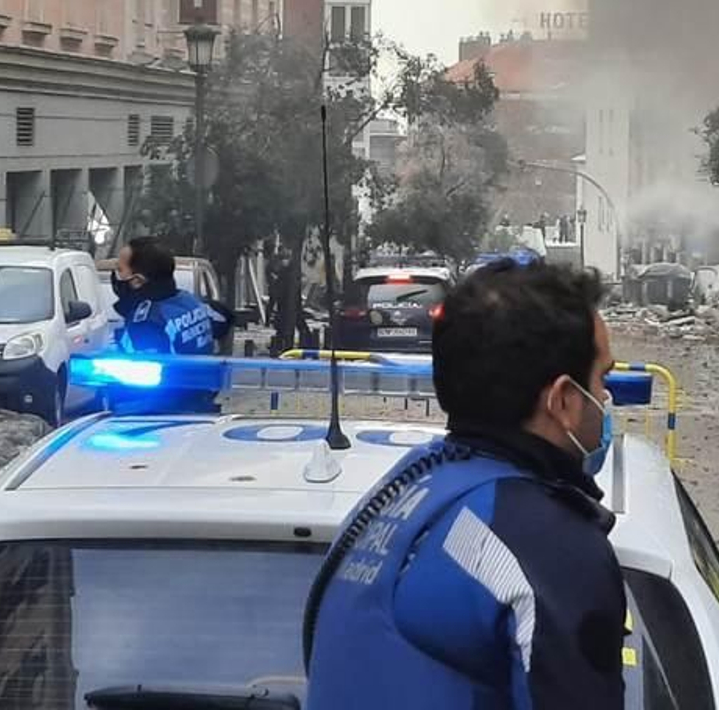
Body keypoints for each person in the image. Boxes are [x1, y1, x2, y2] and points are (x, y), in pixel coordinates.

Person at [303, 260, 625, 710]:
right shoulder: (546, 544)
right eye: (602, 379)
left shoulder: (407, 488)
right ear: (564, 400)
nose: (606, 401)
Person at [111, 237, 228, 357]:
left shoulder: (147, 324)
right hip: (207, 374)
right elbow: (224, 319)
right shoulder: (190, 301)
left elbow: (147, 369)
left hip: (178, 376)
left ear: (137, 281)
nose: (115, 274)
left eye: (120, 270)